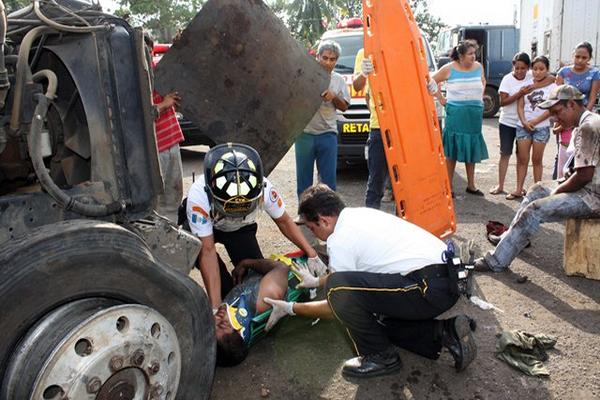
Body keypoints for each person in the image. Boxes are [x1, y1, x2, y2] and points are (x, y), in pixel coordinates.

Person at [264, 184, 477, 378]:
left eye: (312, 228)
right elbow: (355, 280)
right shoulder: (360, 215)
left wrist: (291, 308)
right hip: (446, 281)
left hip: (426, 289)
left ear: (324, 220)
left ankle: (380, 356)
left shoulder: (339, 240)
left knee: (338, 291)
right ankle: (444, 333)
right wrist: (317, 282)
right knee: (373, 317)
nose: (315, 235)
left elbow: (335, 302)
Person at [474, 85, 600, 272]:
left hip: (593, 197)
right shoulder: (589, 120)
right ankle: (512, 237)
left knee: (535, 209)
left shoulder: (588, 127)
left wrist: (557, 191)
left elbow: (584, 176)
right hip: (588, 186)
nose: (555, 118)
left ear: (571, 104)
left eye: (558, 112)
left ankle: (496, 261)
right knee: (537, 189)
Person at [186, 143, 327, 309]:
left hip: (239, 229)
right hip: (205, 226)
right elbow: (207, 252)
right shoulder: (198, 196)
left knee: (256, 276)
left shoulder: (265, 188)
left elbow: (284, 221)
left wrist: (311, 253)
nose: (236, 212)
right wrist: (215, 308)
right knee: (221, 286)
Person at [215, 255, 308, 366]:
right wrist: (246, 262)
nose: (216, 318)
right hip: (305, 268)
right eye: (223, 324)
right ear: (240, 332)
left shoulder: (237, 330)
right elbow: (282, 267)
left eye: (211, 326)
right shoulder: (261, 301)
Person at [430, 40, 488, 196]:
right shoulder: (449, 68)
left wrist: (480, 97)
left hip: (474, 114)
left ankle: (471, 185)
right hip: (455, 114)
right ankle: (448, 186)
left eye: (474, 53)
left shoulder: (478, 67)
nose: (473, 56)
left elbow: (483, 80)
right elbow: (430, 81)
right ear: (461, 56)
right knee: (452, 151)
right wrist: (441, 99)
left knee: (472, 148)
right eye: (470, 54)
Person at [295, 40, 350, 199]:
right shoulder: (305, 75)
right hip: (304, 134)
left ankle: (327, 215)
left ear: (336, 61)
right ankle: (303, 214)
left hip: (328, 134)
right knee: (303, 180)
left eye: (332, 59)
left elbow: (344, 107)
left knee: (328, 182)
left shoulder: (339, 80)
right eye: (324, 58)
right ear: (317, 57)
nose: (327, 62)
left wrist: (334, 97)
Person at [144, 32, 185, 222]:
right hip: (155, 148)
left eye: (150, 50)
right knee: (157, 201)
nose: (148, 54)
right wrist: (164, 104)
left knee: (174, 195)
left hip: (171, 142)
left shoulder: (158, 69)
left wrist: (180, 44)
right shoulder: (134, 79)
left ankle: (173, 233)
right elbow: (139, 114)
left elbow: (181, 61)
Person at [508, 56, 557, 201]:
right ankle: (518, 189)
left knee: (537, 160)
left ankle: (537, 191)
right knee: (522, 159)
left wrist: (535, 121)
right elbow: (521, 105)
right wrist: (524, 121)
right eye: (535, 69)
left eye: (541, 69)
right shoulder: (526, 85)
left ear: (547, 70)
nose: (538, 72)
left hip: (541, 127)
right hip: (523, 127)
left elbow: (551, 109)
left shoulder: (552, 87)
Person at [489, 53, 535, 195]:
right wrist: (520, 93)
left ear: (528, 67)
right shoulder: (507, 79)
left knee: (522, 157)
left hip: (524, 123)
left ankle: (519, 188)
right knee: (505, 154)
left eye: (523, 68)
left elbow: (550, 78)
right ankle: (500, 185)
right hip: (507, 122)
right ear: (513, 66)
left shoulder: (532, 76)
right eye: (517, 68)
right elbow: (503, 101)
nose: (520, 71)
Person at [554, 42, 600, 179]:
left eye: (584, 58)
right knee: (564, 153)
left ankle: (581, 180)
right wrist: (561, 123)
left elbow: (592, 98)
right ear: (573, 55)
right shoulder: (563, 72)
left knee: (583, 152)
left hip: (584, 117)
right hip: (564, 117)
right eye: (577, 56)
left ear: (589, 58)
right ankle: (560, 180)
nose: (580, 60)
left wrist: (582, 119)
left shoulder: (595, 73)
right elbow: (556, 98)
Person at [353, 48, 388, 208]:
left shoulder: (404, 47)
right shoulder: (365, 52)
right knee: (376, 181)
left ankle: (404, 225)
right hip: (378, 127)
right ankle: (371, 222)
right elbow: (357, 86)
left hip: (404, 127)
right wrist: (364, 74)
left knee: (405, 183)